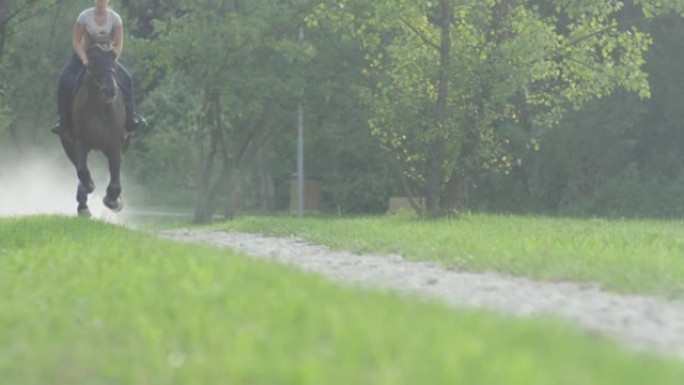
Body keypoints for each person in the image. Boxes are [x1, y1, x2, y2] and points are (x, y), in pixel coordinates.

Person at [52, 0, 146, 137]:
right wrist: (84, 59)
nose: (101, 1)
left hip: (107, 59)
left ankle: (131, 118)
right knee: (64, 79)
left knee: (127, 79)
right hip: (85, 56)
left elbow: (119, 44)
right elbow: (77, 42)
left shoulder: (115, 19)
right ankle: (63, 120)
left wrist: (113, 59)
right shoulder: (84, 16)